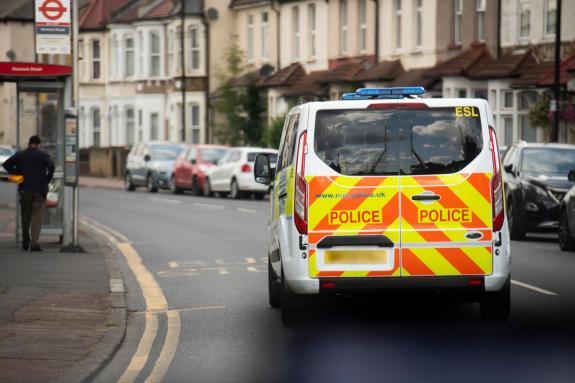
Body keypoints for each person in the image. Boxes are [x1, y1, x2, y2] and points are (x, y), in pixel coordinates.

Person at [2, 135, 55, 251]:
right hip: (39, 190)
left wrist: (17, 174)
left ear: (29, 144)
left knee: (25, 217)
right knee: (37, 217)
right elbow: (51, 165)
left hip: (24, 189)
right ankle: (35, 243)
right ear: (38, 144)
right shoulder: (43, 155)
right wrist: (47, 178)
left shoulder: (21, 155)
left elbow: (6, 164)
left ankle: (25, 240)